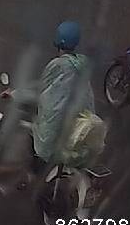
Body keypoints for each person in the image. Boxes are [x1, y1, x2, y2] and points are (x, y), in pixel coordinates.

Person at [32, 21, 97, 166]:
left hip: (58, 126)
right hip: (79, 123)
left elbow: (42, 88)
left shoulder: (57, 65)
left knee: (40, 134)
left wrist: (16, 93)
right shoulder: (82, 64)